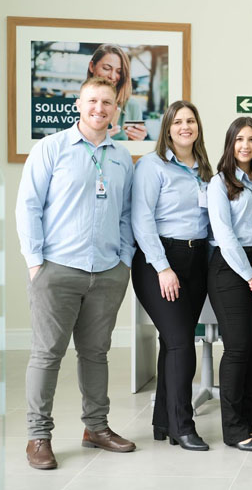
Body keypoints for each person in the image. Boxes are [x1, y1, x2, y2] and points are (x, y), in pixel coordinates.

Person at [16, 76, 136, 470]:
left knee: (96, 353)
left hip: (107, 272)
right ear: (78, 105)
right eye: (93, 101)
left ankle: (96, 428)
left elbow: (126, 214)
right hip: (57, 269)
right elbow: (28, 207)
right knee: (47, 354)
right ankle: (38, 436)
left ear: (116, 109)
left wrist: (124, 261)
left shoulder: (122, 158)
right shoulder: (51, 148)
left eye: (107, 102)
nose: (100, 108)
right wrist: (36, 263)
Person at [130, 100, 213, 451]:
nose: (185, 127)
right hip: (160, 260)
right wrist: (163, 267)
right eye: (178, 121)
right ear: (167, 128)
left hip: (197, 260)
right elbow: (141, 219)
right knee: (181, 342)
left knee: (172, 343)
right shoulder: (152, 165)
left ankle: (163, 421)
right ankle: (183, 425)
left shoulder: (205, 169)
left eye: (190, 121)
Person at [207, 117, 252, 451]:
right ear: (230, 144)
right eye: (239, 140)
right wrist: (251, 274)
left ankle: (249, 422)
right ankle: (233, 429)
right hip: (230, 268)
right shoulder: (219, 183)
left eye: (251, 140)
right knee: (237, 347)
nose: (245, 146)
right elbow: (224, 235)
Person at [86, 43, 146, 141]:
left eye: (119, 72)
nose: (113, 77)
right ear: (92, 66)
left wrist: (137, 141)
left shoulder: (132, 106)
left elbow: (134, 149)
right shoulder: (73, 102)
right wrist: (93, 139)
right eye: (106, 68)